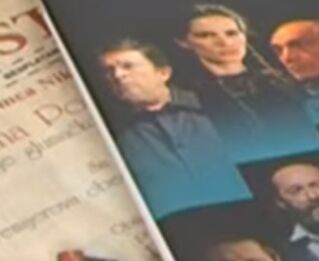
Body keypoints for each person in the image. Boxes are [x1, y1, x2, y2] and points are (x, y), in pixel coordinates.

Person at [99, 39, 247, 216]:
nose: (118, 75)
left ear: (163, 73)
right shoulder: (110, 133)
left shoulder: (215, 105)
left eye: (128, 66)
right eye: (108, 71)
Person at [177, 4, 319, 159]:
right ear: (184, 42)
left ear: (244, 36)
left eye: (232, 33)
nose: (225, 42)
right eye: (206, 35)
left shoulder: (286, 83)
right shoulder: (185, 98)